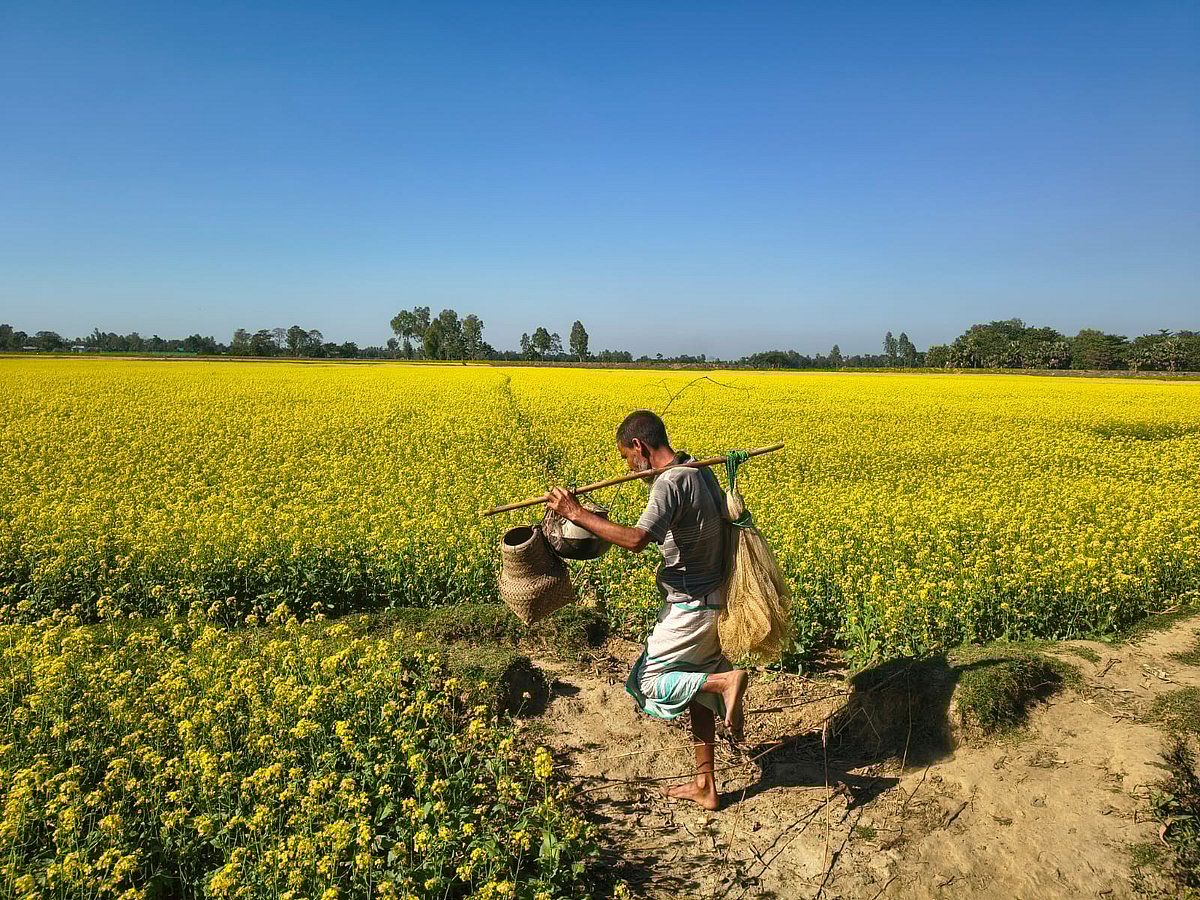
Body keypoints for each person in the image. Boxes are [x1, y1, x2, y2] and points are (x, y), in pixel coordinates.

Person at [545, 409, 747, 810]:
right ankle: (705, 784)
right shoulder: (699, 470)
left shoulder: (669, 484)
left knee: (648, 682)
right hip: (713, 602)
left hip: (688, 609)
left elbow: (637, 539)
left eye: (626, 457)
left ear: (639, 446)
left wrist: (576, 514)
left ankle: (725, 683)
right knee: (694, 687)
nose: (628, 467)